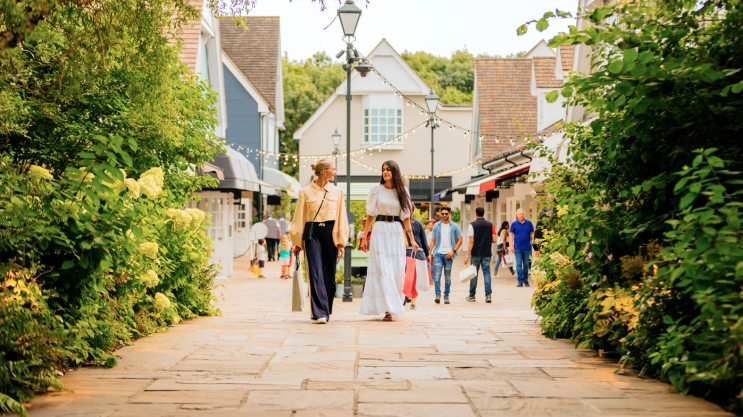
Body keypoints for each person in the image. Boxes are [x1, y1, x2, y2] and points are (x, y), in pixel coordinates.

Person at [289, 159, 349, 324]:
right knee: (315, 271)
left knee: (329, 274)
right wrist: (297, 243)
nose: (335, 172)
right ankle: (319, 312)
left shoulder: (337, 192)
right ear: (324, 171)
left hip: (331, 232)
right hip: (312, 233)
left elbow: (341, 217)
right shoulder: (305, 192)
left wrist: (341, 242)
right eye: (333, 169)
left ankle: (325, 308)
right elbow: (299, 218)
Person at [359, 160, 418, 321]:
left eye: (388, 170)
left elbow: (406, 217)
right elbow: (370, 214)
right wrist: (364, 237)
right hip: (379, 230)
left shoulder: (403, 191)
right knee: (382, 269)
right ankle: (387, 309)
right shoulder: (376, 190)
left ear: (394, 172)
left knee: (395, 269)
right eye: (383, 170)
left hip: (396, 232)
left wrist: (412, 239)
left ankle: (393, 305)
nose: (385, 172)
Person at [429, 206, 463, 305]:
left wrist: (453, 251)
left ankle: (446, 296)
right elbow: (433, 240)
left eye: (446, 214)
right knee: (437, 276)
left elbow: (460, 240)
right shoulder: (436, 226)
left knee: (447, 277)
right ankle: (437, 295)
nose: (444, 215)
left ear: (449, 214)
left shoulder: (455, 226)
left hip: (449, 254)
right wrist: (430, 253)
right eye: (442, 214)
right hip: (438, 253)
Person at [464, 207, 497, 303]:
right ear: (484, 213)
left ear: (475, 213)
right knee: (486, 273)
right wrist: (486, 240)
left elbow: (471, 241)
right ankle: (488, 295)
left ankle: (472, 296)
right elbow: (494, 239)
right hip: (486, 252)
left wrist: (468, 255)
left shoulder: (472, 225)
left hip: (476, 253)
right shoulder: (490, 225)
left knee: (474, 274)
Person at [406, 217, 430, 310]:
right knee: (414, 278)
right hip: (418, 252)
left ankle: (405, 296)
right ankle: (413, 302)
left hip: (404, 251)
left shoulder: (400, 222)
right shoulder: (418, 223)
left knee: (405, 276)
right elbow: (424, 241)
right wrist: (427, 254)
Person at [510, 208, 534, 287]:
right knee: (519, 264)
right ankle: (520, 280)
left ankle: (525, 280)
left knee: (526, 264)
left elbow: (532, 232)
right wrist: (511, 245)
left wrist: (532, 239)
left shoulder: (529, 223)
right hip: (518, 247)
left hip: (527, 247)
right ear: (517, 215)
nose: (521, 215)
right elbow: (511, 235)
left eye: (522, 214)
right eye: (520, 214)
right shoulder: (514, 224)